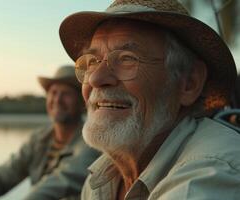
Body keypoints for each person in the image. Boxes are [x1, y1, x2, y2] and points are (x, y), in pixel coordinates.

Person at [58, 0, 240, 199]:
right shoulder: (104, 177)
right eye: (92, 61)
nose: (95, 78)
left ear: (189, 83)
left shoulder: (213, 173)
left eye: (127, 58)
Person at [0, 65, 100, 200]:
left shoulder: (92, 143)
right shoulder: (38, 140)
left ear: (83, 102)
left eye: (66, 94)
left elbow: (60, 182)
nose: (57, 100)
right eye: (53, 93)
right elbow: (1, 178)